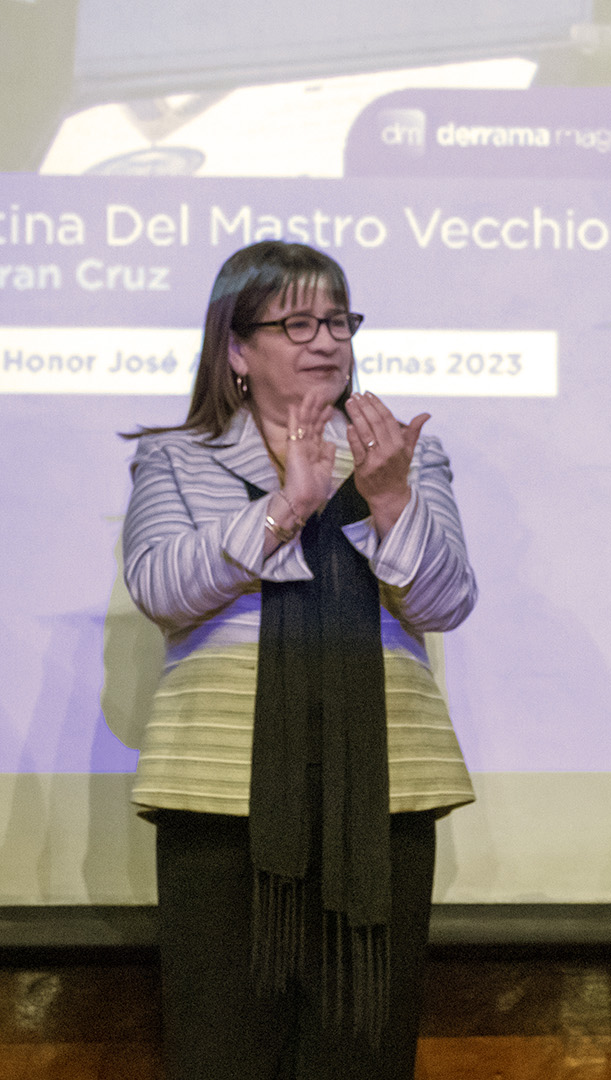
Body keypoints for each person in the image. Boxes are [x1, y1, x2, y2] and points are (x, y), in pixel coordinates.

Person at [120, 241, 476, 1078]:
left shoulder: (405, 457)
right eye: (297, 323)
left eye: (338, 321)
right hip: (221, 788)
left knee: (362, 1048)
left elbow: (445, 602)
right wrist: (287, 507)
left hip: (381, 786)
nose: (326, 341)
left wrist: (387, 500)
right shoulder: (177, 456)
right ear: (237, 349)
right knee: (224, 1048)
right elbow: (160, 585)